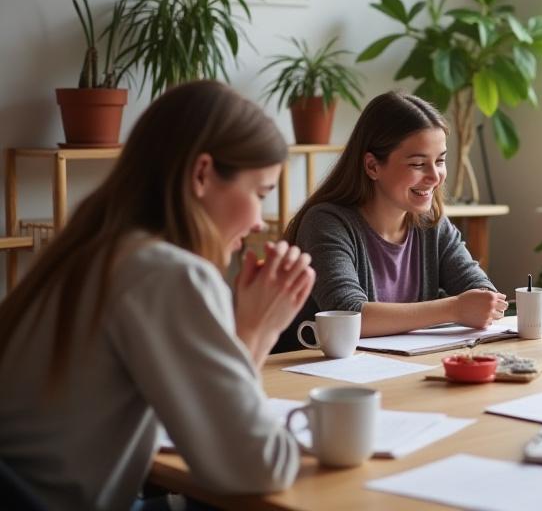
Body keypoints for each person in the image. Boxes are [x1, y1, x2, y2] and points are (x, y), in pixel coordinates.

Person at [0, 81, 315, 510]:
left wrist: (250, 333)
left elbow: (214, 428)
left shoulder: (91, 248)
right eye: (259, 194)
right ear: (202, 174)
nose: (259, 222)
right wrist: (259, 327)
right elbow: (257, 466)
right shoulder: (167, 274)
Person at [276, 91, 505, 350]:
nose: (435, 176)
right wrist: (453, 308)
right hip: (312, 378)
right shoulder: (325, 222)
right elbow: (348, 315)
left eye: (440, 160)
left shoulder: (431, 223)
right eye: (418, 164)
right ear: (373, 166)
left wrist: (481, 304)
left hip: (398, 371)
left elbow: (482, 293)